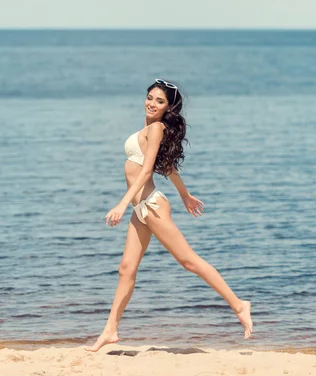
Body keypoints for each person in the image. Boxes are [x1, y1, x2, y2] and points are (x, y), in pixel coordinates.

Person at [85, 79, 253, 352]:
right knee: (126, 269)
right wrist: (185, 195)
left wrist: (121, 204)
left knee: (188, 261)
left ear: (169, 107)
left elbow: (148, 171)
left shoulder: (156, 127)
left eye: (160, 101)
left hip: (151, 206)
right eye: (150, 97)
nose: (152, 103)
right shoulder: (150, 128)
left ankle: (239, 305)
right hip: (141, 210)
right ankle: (110, 331)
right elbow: (168, 165)